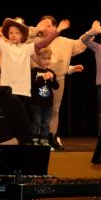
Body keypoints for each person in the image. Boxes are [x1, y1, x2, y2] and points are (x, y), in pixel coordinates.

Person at [36, 15, 86, 150]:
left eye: (52, 25)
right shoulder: (36, 41)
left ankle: (51, 136)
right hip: (38, 80)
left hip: (57, 81)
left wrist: (91, 32)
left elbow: (80, 45)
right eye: (46, 25)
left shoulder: (64, 42)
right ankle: (38, 137)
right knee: (38, 109)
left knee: (54, 110)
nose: (50, 28)